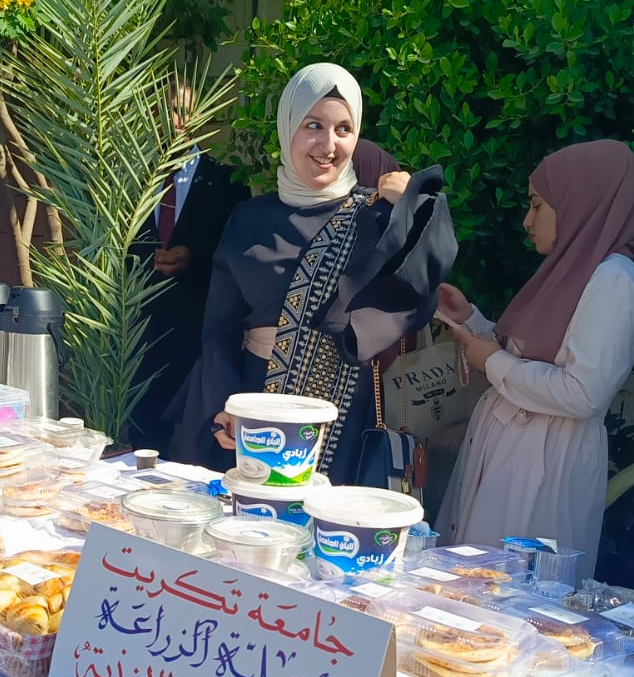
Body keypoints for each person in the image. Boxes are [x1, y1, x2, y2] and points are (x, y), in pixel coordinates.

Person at [169, 62, 457, 481]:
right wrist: (226, 403)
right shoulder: (249, 218)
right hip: (255, 407)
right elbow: (220, 329)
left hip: (345, 416)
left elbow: (421, 287)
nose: (328, 144)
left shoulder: (376, 217)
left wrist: (413, 205)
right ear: (288, 128)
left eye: (344, 129)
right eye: (313, 126)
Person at [435, 140, 634, 578]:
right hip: (516, 449)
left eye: (537, 205)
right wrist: (472, 320)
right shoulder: (575, 269)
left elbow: (583, 392)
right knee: (472, 585)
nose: (527, 220)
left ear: (579, 202)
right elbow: (533, 352)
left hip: (547, 460)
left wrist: (492, 363)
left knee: (513, 592)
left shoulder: (614, 281)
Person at [130, 85, 250, 450]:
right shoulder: (133, 179)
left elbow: (235, 257)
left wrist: (193, 257)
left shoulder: (227, 181)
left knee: (190, 443)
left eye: (182, 112)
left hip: (197, 334)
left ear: (199, 118)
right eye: (164, 113)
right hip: (138, 336)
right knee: (140, 436)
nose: (174, 123)